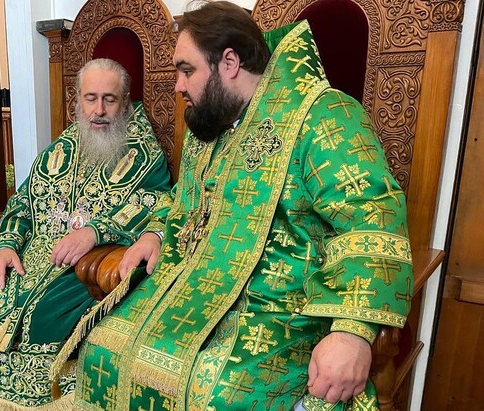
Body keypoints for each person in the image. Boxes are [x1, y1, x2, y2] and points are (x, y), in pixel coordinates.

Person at [71, 2, 413, 410]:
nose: (178, 86)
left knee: (214, 394)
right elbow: (182, 200)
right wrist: (155, 233)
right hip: (191, 290)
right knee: (102, 348)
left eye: (187, 70)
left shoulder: (323, 115)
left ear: (229, 63)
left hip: (279, 311)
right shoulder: (209, 125)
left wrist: (353, 330)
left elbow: (373, 217)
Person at [0, 58, 172, 410]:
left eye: (109, 99)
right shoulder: (64, 145)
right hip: (32, 254)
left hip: (88, 264)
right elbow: (24, 201)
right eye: (90, 98)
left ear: (125, 101)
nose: (98, 110)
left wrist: (95, 232)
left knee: (40, 316)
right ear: (78, 100)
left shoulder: (144, 153)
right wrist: (6, 246)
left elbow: (157, 204)